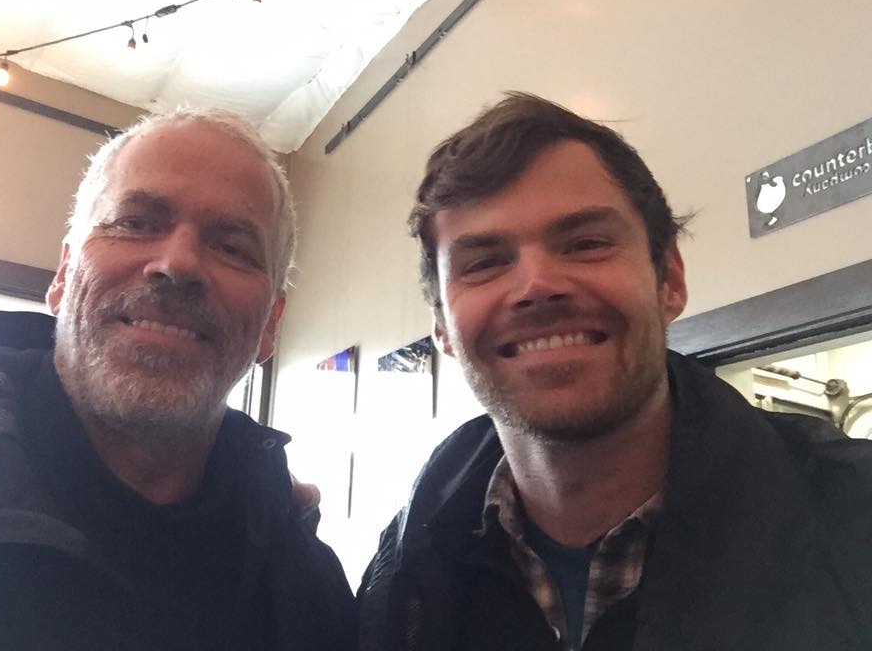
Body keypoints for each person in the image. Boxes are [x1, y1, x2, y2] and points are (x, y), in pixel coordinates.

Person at [358, 93, 872, 650]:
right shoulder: (403, 574)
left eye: (585, 244)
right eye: (484, 263)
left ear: (669, 280)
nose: (536, 286)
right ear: (441, 327)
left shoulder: (853, 520)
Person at [0, 109, 355, 650]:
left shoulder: (305, 592)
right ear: (63, 275)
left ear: (270, 326)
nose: (178, 263)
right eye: (136, 222)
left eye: (233, 248)